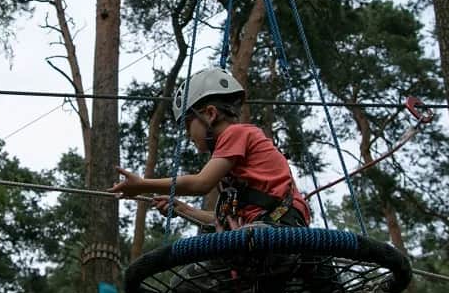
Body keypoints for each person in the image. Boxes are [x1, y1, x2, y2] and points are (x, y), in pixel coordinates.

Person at [110, 67, 310, 231]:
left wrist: (143, 185)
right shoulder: (233, 168)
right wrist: (185, 210)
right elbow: (223, 220)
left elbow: (201, 184)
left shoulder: (236, 133)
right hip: (262, 227)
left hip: (280, 226)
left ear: (210, 114)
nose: (188, 135)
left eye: (187, 125)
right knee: (197, 268)